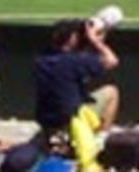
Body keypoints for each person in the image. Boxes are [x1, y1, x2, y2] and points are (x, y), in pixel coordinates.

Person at [34, 18, 120, 172]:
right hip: (72, 119)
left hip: (47, 119)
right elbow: (112, 60)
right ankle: (100, 140)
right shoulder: (74, 62)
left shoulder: (40, 61)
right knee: (111, 92)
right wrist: (95, 40)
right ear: (72, 39)